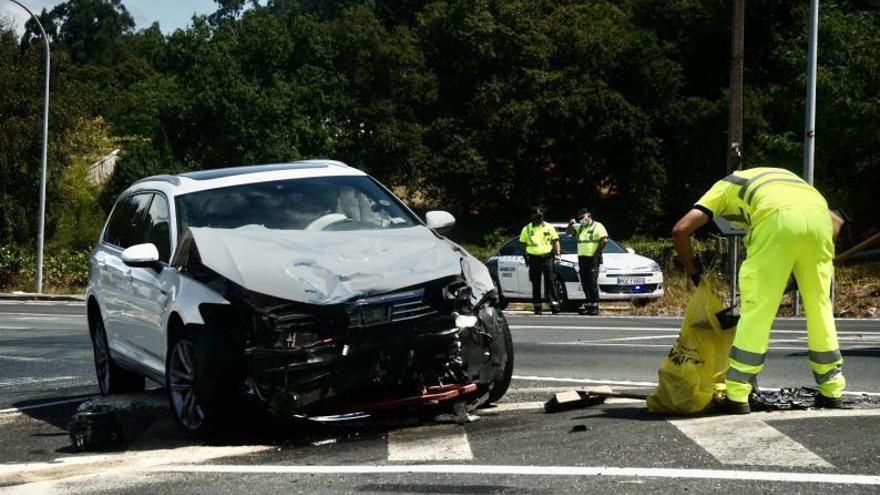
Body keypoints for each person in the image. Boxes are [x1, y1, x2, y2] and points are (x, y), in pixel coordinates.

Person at [671, 167, 846, 414]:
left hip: (775, 221)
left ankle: (737, 393)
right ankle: (832, 389)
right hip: (820, 220)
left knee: (757, 309)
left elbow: (680, 230)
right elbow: (836, 223)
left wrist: (693, 272)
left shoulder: (723, 188)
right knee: (820, 306)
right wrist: (805, 261)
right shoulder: (780, 178)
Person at [519, 207, 562, 315]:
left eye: (541, 215)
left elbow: (555, 241)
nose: (539, 217)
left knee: (550, 281)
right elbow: (522, 243)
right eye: (537, 215)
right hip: (534, 258)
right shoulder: (527, 229)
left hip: (547, 258)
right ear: (532, 216)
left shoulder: (548, 226)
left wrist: (557, 254)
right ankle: (537, 307)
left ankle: (554, 305)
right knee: (535, 283)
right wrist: (525, 255)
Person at [566, 208, 608, 315]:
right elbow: (568, 233)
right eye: (579, 218)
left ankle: (594, 306)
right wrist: (570, 225)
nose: (581, 220)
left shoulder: (598, 226)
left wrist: (597, 252)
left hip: (593, 258)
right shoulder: (581, 227)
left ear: (588, 216)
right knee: (585, 282)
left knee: (592, 282)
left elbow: (604, 240)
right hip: (582, 258)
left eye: (582, 217)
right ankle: (589, 306)